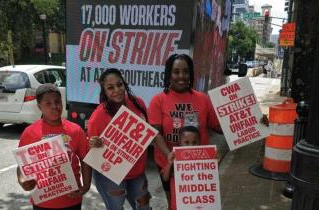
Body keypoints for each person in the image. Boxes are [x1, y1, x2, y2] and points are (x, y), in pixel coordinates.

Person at [147, 54, 221, 209]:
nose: (181, 76)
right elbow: (155, 134)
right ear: (169, 74)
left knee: (199, 205)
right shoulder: (158, 100)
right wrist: (170, 156)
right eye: (176, 71)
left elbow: (217, 126)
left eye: (186, 71)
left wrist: (255, 122)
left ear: (191, 74)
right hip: (168, 163)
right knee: (174, 203)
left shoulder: (203, 99)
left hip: (199, 165)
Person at [16, 83, 90, 210]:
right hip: (43, 202)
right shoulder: (30, 133)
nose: (55, 106)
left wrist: (86, 185)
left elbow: (85, 159)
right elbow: (22, 165)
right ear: (39, 106)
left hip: (72, 199)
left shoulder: (75, 130)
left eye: (57, 102)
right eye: (48, 103)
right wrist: (22, 180)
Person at [87, 68, 151, 210]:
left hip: (137, 172)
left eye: (119, 84)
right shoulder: (98, 117)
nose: (117, 90)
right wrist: (92, 144)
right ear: (104, 92)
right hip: (110, 176)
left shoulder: (138, 103)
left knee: (144, 207)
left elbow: (148, 133)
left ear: (124, 84)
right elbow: (92, 152)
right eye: (110, 87)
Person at [162, 125, 201, 210]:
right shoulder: (174, 157)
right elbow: (165, 178)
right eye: (186, 142)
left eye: (194, 143)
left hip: (197, 202)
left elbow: (210, 176)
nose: (190, 146)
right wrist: (170, 163)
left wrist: (215, 160)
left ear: (199, 143)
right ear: (179, 143)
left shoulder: (203, 159)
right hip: (178, 203)